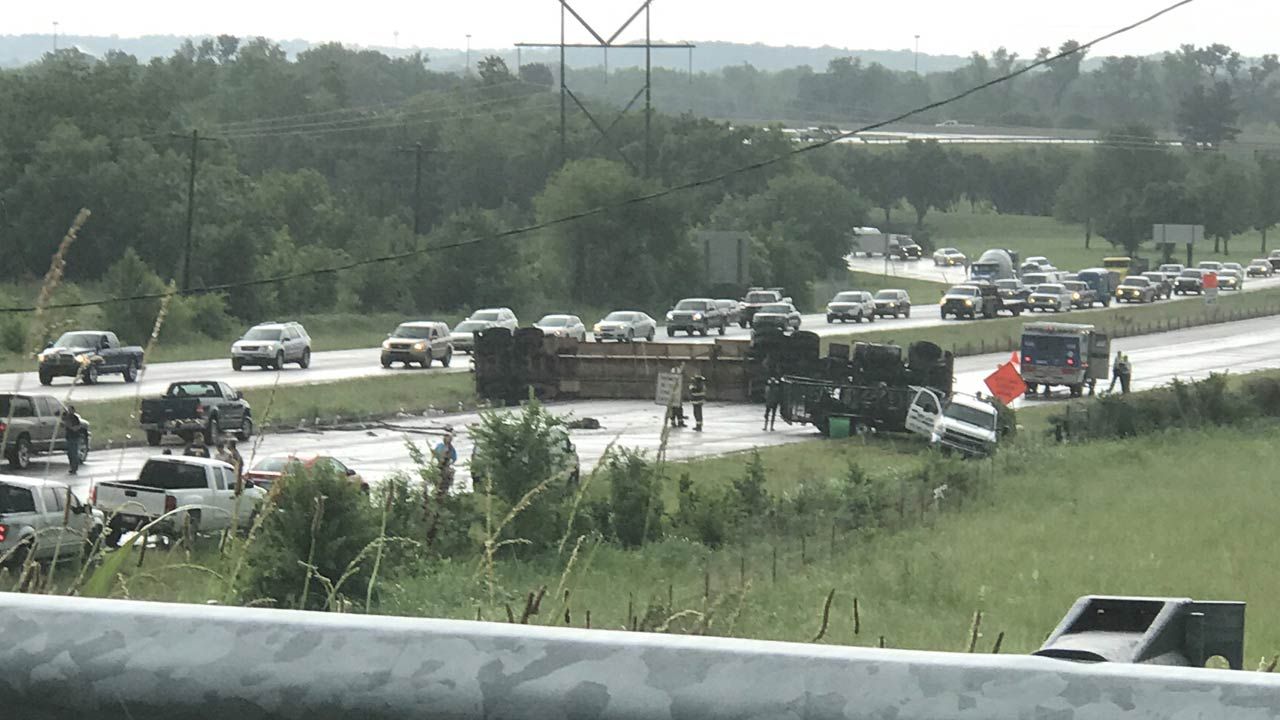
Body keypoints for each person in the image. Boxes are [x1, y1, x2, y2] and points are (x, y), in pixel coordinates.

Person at [61, 405, 84, 475]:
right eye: (68, 410)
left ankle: (74, 467)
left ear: (73, 411)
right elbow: (63, 423)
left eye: (70, 410)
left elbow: (78, 427)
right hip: (69, 437)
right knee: (69, 453)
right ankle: (72, 466)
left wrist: (71, 427)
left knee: (74, 453)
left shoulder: (75, 418)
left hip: (74, 437)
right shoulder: (67, 418)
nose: (69, 411)